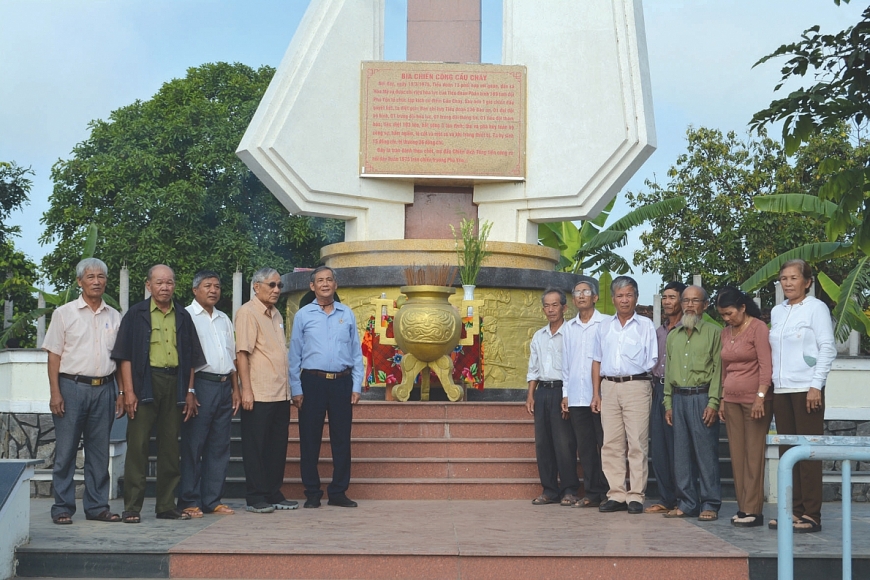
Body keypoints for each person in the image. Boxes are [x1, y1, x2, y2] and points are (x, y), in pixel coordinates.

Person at [112, 264, 205, 523]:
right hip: (144, 383)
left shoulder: (183, 316)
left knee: (169, 447)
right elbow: (125, 357)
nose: (165, 287)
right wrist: (128, 391)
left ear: (175, 285)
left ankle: (166, 505)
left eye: (170, 282)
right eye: (160, 282)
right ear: (148, 285)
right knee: (138, 446)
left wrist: (189, 390)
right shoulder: (136, 314)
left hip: (174, 383)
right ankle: (132, 507)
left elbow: (190, 359)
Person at [42, 258, 122, 525]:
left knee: (99, 452)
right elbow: (53, 356)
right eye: (90, 277)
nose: (96, 281)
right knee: (65, 452)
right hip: (71, 387)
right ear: (79, 281)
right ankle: (62, 507)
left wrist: (121, 393)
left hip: (105, 389)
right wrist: (55, 392)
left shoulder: (114, 315)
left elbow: (120, 359)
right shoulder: (64, 313)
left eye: (101, 276)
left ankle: (98, 506)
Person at [768, 259, 836, 533]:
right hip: (781, 390)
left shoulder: (816, 308)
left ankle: (811, 514)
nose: (788, 283)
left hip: (807, 390)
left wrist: (815, 385)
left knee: (807, 454)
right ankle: (792, 511)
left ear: (807, 282)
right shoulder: (777, 311)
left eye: (794, 278)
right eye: (784, 278)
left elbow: (827, 348)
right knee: (788, 453)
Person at [289, 266, 364, 508]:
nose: (324, 284)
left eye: (329, 280)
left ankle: (338, 492)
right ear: (312, 286)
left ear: (335, 285)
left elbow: (356, 352)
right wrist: (296, 388)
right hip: (312, 382)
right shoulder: (303, 315)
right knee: (309, 439)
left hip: (342, 382)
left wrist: (356, 385)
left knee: (341, 439)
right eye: (320, 280)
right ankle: (312, 492)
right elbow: (294, 355)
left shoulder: (347, 314)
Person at [591, 276, 657, 515]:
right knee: (611, 443)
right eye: (620, 296)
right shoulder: (604, 327)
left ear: (636, 298)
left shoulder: (645, 326)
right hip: (608, 387)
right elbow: (596, 361)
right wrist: (596, 393)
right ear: (613, 299)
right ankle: (616, 493)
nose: (624, 300)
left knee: (637, 443)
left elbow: (652, 359)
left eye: (629, 295)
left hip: (636, 386)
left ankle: (636, 495)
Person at [178, 271, 240, 518]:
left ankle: (212, 499)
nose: (213, 290)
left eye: (217, 286)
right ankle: (189, 500)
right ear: (195, 290)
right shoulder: (186, 316)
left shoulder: (225, 318)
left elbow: (232, 356)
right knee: (194, 445)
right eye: (207, 286)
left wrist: (237, 389)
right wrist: (190, 391)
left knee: (219, 446)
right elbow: (186, 358)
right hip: (200, 385)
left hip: (225, 385)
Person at [235, 267, 298, 514]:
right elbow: (242, 354)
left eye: (279, 286)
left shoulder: (276, 314)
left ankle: (274, 492)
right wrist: (245, 390)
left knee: (277, 446)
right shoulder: (247, 313)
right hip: (259, 393)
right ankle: (256, 495)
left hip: (280, 392)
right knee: (256, 447)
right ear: (256, 286)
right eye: (271, 285)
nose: (276, 290)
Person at [663, 285, 722, 522]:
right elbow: (668, 372)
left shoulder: (714, 332)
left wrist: (714, 402)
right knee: (681, 455)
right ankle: (687, 502)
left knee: (705, 453)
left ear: (705, 305)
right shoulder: (673, 336)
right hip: (678, 397)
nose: (689, 305)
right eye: (685, 300)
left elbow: (719, 370)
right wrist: (667, 403)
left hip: (702, 397)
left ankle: (710, 503)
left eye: (695, 301)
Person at [715, 286, 772, 528]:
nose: (727, 319)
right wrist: (721, 398)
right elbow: (725, 369)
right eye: (723, 316)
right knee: (737, 455)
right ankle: (742, 506)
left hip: (755, 401)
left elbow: (766, 366)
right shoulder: (725, 333)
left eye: (730, 314)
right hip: (732, 400)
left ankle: (754, 510)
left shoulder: (758, 328)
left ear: (742, 307)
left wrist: (760, 396)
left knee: (753, 454)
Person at [525, 288, 579, 506]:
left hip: (562, 391)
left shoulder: (572, 334)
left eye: (555, 305)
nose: (550, 309)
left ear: (564, 307)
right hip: (543, 392)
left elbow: (574, 367)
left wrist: (567, 395)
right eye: (547, 305)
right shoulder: (539, 336)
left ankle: (569, 489)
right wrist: (530, 394)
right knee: (544, 443)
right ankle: (549, 489)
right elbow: (533, 368)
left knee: (564, 442)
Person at [560, 280, 608, 508]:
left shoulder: (606, 323)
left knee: (606, 444)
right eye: (577, 292)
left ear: (595, 297)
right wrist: (566, 394)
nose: (581, 296)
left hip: (600, 396)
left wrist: (598, 392)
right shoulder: (568, 328)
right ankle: (592, 491)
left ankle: (610, 490)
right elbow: (566, 364)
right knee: (586, 447)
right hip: (577, 396)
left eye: (586, 292)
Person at [645, 281, 685, 515]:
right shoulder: (658, 331)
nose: (668, 302)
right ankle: (666, 498)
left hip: (679, 391)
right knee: (659, 448)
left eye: (673, 297)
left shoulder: (687, 328)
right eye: (665, 297)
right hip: (658, 389)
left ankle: (683, 498)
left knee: (677, 447)